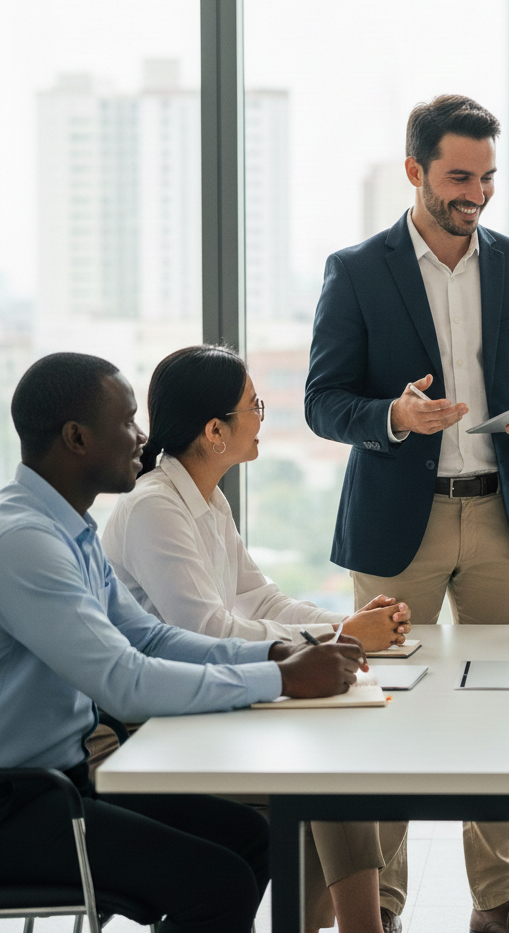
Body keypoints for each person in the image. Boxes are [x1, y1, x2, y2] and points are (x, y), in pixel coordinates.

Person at [305, 95, 509, 933]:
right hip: (400, 524)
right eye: (460, 177)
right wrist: (393, 416)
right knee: (385, 706)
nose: (477, 194)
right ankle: (380, 905)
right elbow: (323, 401)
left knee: (500, 709)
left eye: (488, 177)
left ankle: (495, 901)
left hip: (501, 517)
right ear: (415, 170)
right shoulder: (357, 269)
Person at [0, 352, 364, 933]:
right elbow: (125, 680)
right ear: (76, 438)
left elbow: (149, 636)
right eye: (126, 422)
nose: (143, 438)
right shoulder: (25, 542)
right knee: (219, 882)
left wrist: (275, 653)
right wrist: (282, 678)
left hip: (64, 782)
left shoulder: (72, 530)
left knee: (250, 839)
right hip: (19, 803)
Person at [102, 344, 412, 933]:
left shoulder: (206, 497)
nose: (262, 416)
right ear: (215, 431)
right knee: (337, 772)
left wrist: (344, 627)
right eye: (254, 405)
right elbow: (206, 631)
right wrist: (342, 634)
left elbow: (262, 599)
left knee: (349, 755)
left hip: (212, 696)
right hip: (160, 723)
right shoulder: (154, 509)